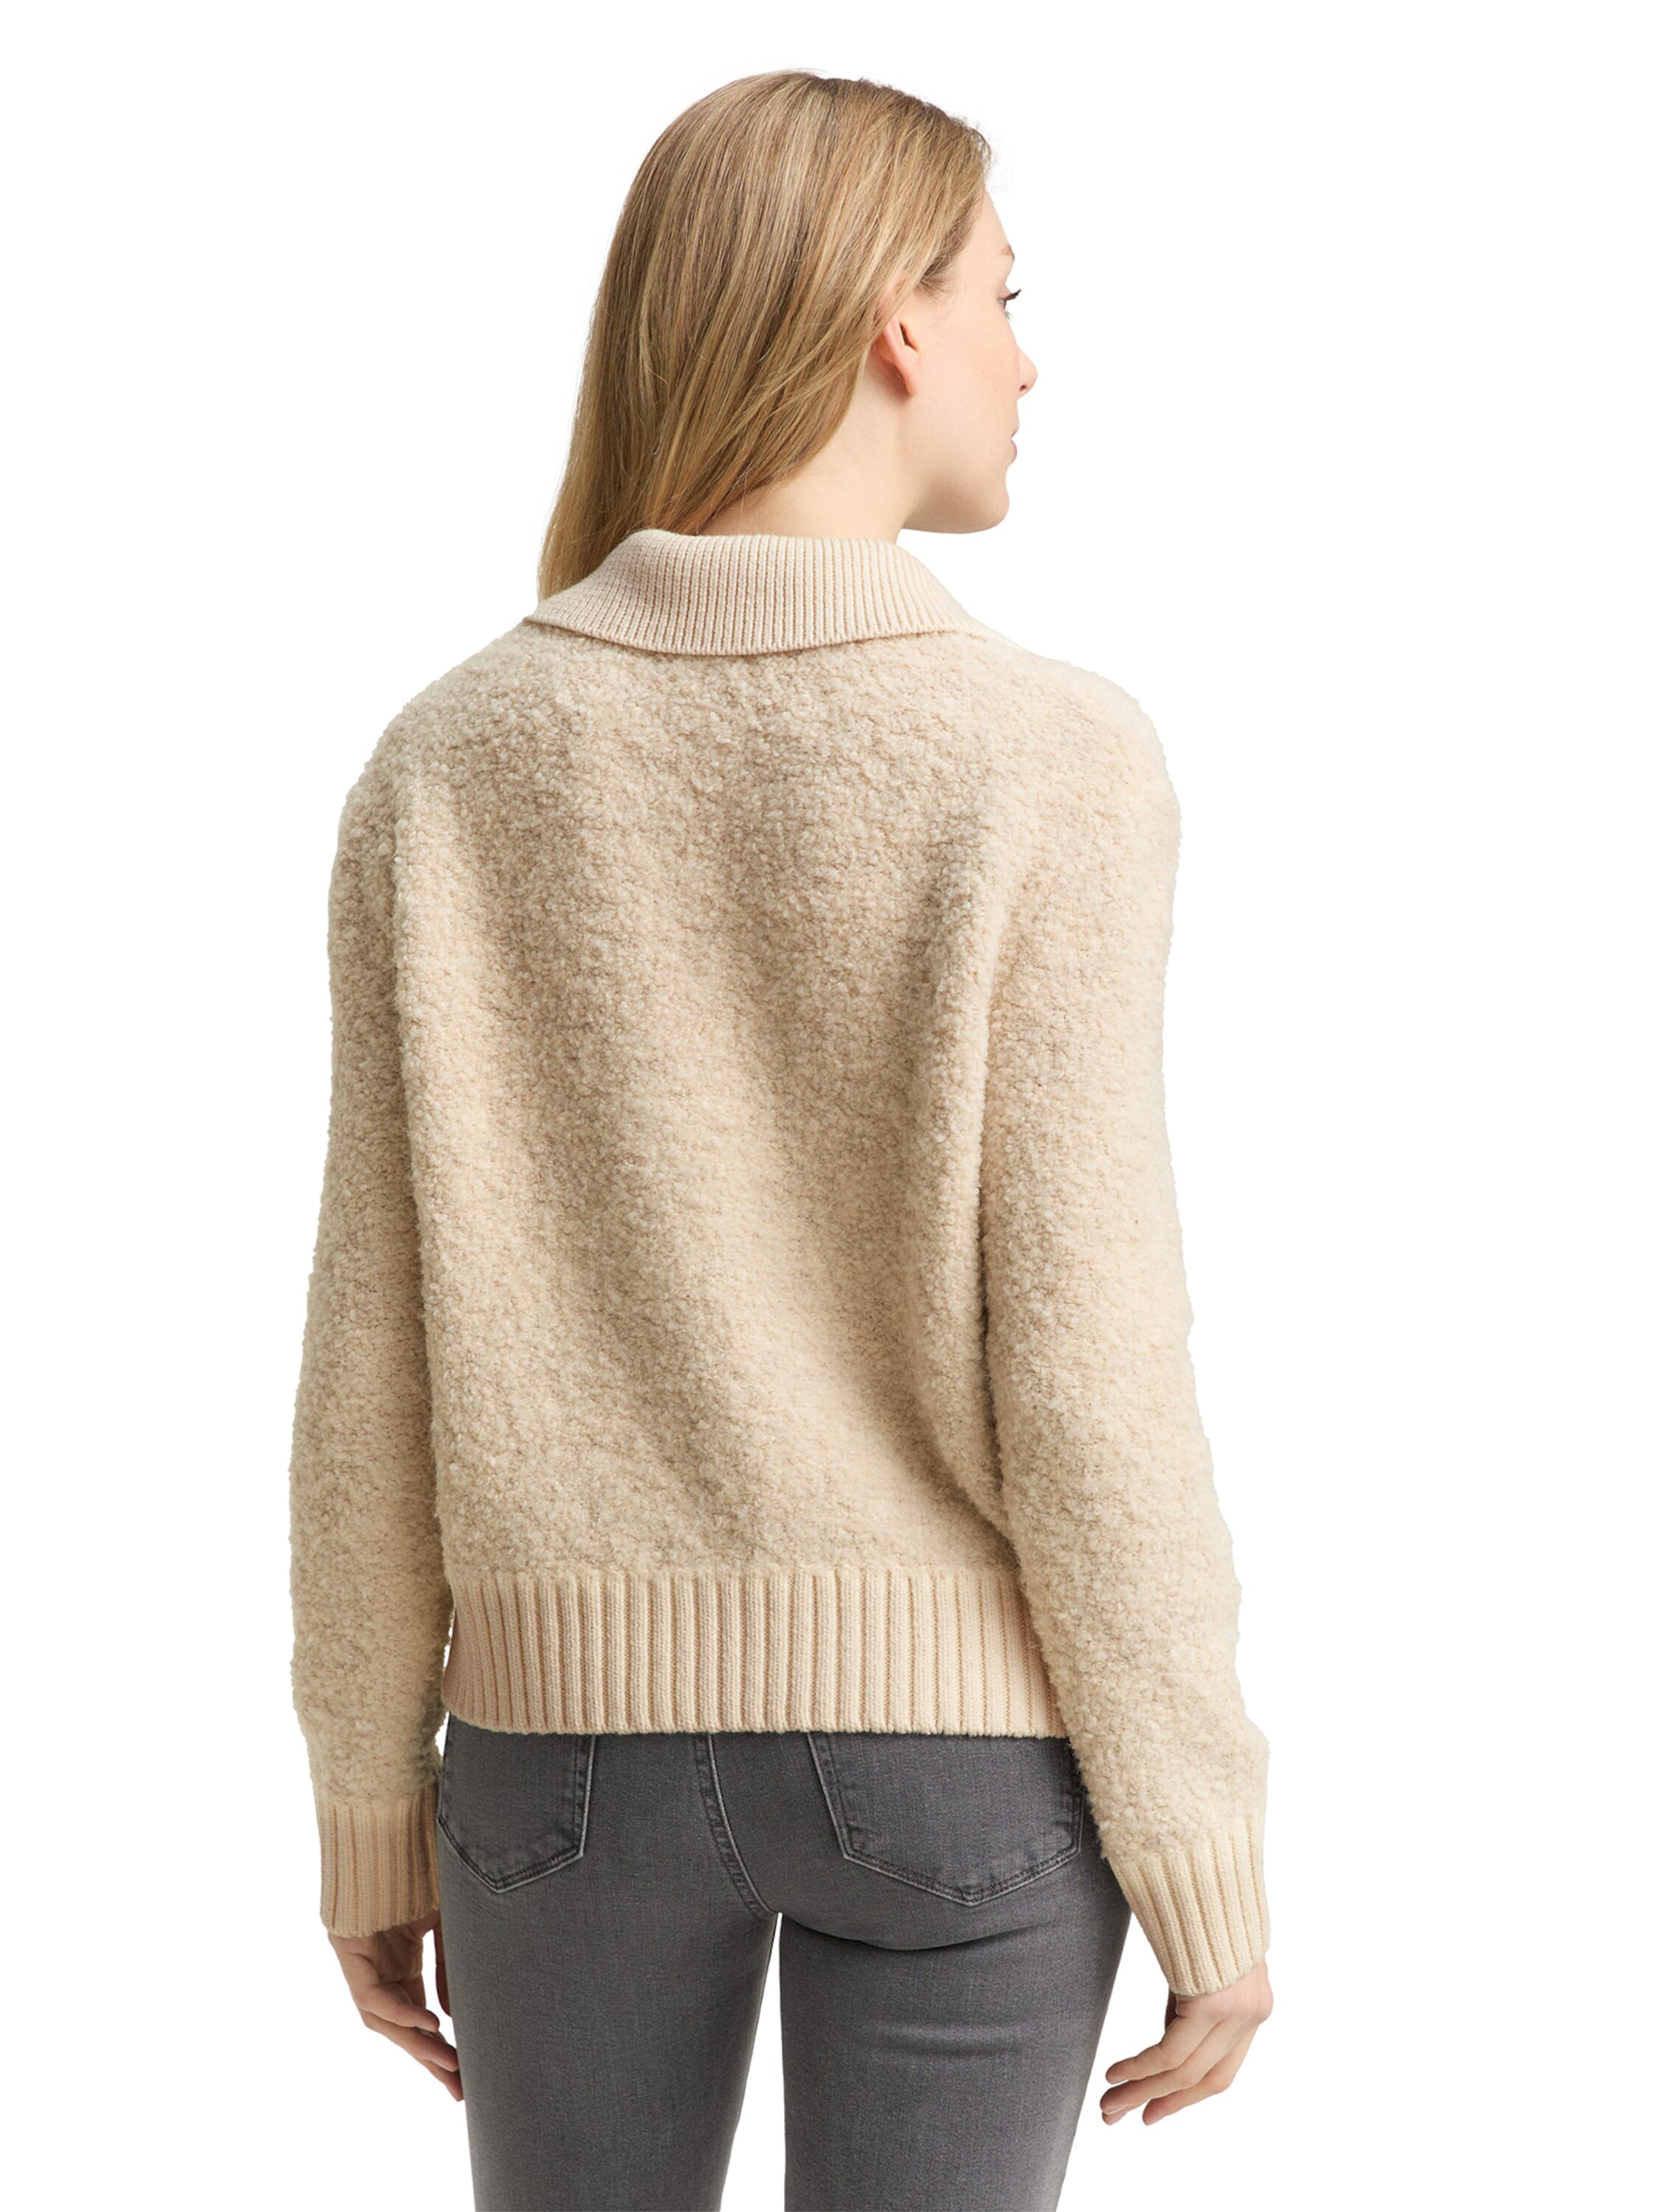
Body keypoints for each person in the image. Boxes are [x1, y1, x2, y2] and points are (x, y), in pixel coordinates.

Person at [290, 68, 1273, 2212]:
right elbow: (1089, 1364)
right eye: (1005, 296)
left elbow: (372, 1358)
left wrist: (368, 1807)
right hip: (962, 1767)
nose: (1028, 359)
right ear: (896, 326)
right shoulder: (1049, 761)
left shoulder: (448, 762)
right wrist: (1203, 1840)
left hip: (556, 1760)